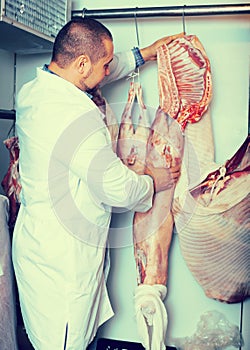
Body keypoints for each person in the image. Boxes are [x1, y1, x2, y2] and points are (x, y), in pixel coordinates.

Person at [12, 17, 182, 350]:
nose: (109, 71)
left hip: (39, 243)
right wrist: (155, 181)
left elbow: (94, 72)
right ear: (82, 64)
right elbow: (117, 188)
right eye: (105, 65)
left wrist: (144, 54)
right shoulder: (74, 115)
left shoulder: (35, 90)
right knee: (64, 343)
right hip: (65, 261)